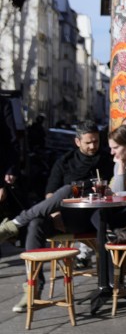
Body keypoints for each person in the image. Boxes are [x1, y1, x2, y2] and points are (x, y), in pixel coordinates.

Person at [0, 120, 114, 312]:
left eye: (95, 141)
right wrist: (55, 213)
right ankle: (33, 288)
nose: (93, 146)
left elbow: (113, 187)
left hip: (94, 217)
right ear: (77, 142)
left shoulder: (107, 160)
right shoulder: (65, 161)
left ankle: (15, 224)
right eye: (88, 142)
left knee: (70, 188)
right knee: (37, 222)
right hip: (66, 218)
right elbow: (50, 194)